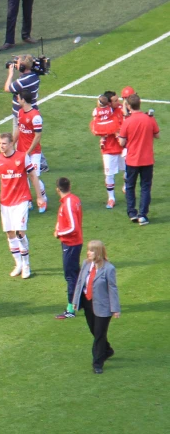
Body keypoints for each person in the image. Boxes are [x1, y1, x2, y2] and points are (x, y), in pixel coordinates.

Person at [0, 132, 44, 279]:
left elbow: (33, 176)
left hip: (21, 200)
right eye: (0, 144)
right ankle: (18, 263)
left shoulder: (22, 157)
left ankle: (26, 264)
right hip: (5, 201)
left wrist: (39, 196)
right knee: (10, 233)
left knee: (20, 232)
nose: (1, 146)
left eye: (4, 143)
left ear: (11, 144)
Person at [72, 241, 121, 374]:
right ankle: (108, 350)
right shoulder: (86, 264)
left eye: (91, 250)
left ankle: (97, 363)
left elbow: (112, 289)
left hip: (103, 306)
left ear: (98, 252)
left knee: (99, 334)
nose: (88, 253)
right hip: (88, 304)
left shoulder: (108, 268)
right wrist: (75, 301)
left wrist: (115, 308)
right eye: (88, 250)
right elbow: (80, 283)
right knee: (94, 331)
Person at [118, 94, 160, 226]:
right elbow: (157, 135)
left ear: (129, 106)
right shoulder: (149, 119)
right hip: (147, 159)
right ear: (140, 104)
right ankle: (143, 215)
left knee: (130, 187)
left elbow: (121, 142)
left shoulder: (127, 121)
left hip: (132, 160)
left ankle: (132, 213)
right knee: (145, 187)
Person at [5, 54, 46, 174]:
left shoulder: (23, 81)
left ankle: (21, 161)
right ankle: (40, 162)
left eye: (17, 64)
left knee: (21, 138)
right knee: (30, 137)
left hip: (22, 113)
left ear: (22, 68)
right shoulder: (34, 76)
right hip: (30, 110)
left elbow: (7, 88)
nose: (15, 65)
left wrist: (11, 73)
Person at [53, 177, 83, 319]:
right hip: (74, 243)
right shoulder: (73, 200)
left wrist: (59, 232)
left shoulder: (68, 204)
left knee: (70, 276)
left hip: (71, 244)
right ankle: (82, 302)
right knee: (75, 274)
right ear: (69, 186)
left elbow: (73, 227)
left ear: (57, 189)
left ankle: (70, 309)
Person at [90, 92, 125, 208]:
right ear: (109, 103)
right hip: (109, 149)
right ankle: (111, 198)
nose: (118, 102)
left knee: (128, 170)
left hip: (122, 146)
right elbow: (95, 129)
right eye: (115, 101)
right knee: (109, 174)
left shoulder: (121, 109)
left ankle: (126, 187)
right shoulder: (102, 115)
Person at [14, 89, 47, 211]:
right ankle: (27, 200)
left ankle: (43, 199)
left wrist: (28, 151)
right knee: (23, 176)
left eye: (18, 98)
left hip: (33, 153)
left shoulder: (35, 116)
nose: (17, 100)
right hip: (21, 151)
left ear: (23, 99)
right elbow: (19, 128)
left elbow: (38, 136)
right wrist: (12, 143)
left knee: (34, 176)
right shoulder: (20, 112)